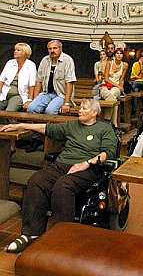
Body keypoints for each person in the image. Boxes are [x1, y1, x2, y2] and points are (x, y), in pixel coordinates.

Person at [1, 98, 117, 254]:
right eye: (80, 108)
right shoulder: (72, 125)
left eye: (84, 108)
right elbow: (47, 129)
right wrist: (20, 125)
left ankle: (62, 239)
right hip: (62, 164)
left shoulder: (104, 129)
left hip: (89, 169)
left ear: (95, 112)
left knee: (63, 186)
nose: (80, 111)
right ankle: (30, 234)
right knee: (36, 182)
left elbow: (108, 152)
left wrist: (86, 163)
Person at [27, 40, 76, 116]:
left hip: (61, 95)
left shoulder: (67, 60)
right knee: (31, 108)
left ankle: (49, 127)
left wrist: (66, 103)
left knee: (50, 111)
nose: (52, 51)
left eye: (55, 48)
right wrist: (35, 99)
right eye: (50, 49)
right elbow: (38, 81)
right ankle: (38, 126)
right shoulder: (45, 60)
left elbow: (69, 82)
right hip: (46, 93)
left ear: (60, 49)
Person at [0, 42, 36, 112]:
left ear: (24, 53)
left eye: (18, 50)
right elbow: (1, 80)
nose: (15, 52)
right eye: (15, 50)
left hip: (19, 95)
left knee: (9, 112)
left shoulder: (31, 65)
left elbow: (31, 85)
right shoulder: (10, 62)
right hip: (4, 93)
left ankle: (11, 123)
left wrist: (29, 100)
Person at [100, 48, 129, 125]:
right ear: (114, 55)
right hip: (106, 85)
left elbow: (122, 79)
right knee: (112, 98)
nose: (119, 55)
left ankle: (107, 120)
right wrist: (118, 86)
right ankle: (113, 124)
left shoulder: (125, 65)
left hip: (116, 88)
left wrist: (121, 88)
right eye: (117, 53)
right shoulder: (109, 63)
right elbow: (106, 79)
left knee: (113, 93)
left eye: (121, 53)